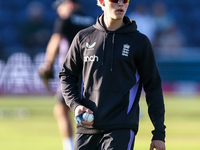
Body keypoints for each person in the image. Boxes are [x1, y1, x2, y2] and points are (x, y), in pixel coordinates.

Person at [59, 0, 166, 150]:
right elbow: (67, 75)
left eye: (125, 0)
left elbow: (153, 88)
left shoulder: (139, 42)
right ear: (101, 2)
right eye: (115, 0)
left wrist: (159, 133)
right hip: (86, 127)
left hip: (121, 127)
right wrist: (75, 105)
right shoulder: (83, 37)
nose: (121, 4)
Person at [38, 0, 95, 150]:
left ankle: (70, 147)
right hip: (93, 71)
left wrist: (47, 64)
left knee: (61, 109)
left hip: (74, 71)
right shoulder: (93, 20)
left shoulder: (65, 19)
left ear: (69, 4)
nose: (58, 11)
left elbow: (56, 40)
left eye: (60, 7)